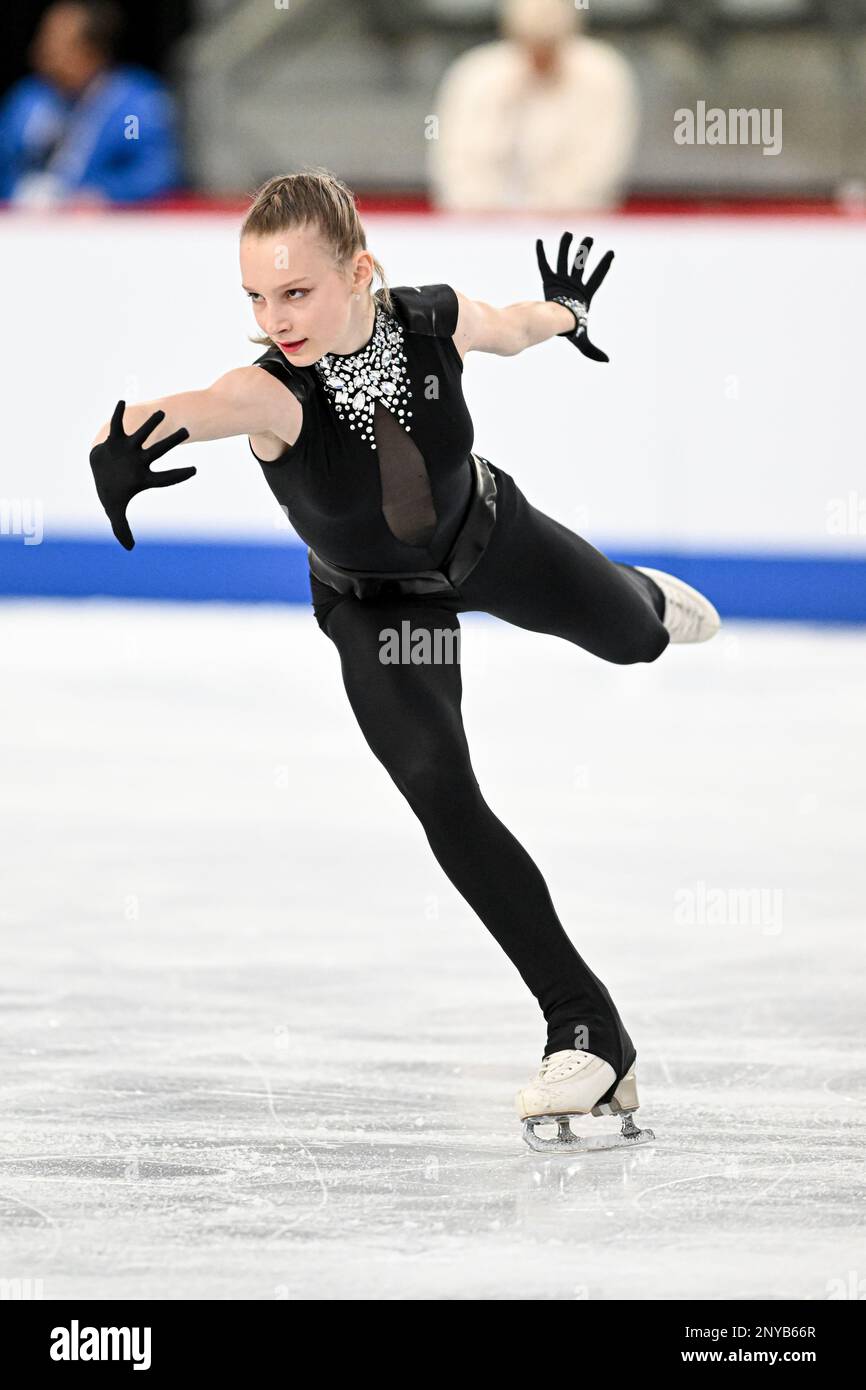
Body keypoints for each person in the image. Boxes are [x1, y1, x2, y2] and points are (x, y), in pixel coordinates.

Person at [88, 169, 720, 1153]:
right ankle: (585, 1028)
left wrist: (565, 312)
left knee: (636, 640)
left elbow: (510, 325)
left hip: (491, 538)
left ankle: (637, 593)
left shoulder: (429, 320)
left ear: (360, 273)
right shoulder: (272, 394)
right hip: (379, 608)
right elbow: (182, 407)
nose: (274, 318)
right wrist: (113, 449)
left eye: (295, 292)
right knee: (440, 790)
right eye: (256, 297)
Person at [428, 0, 639, 213]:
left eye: (549, 46)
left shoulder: (604, 76)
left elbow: (602, 164)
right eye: (531, 45)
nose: (539, 57)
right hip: (483, 223)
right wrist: (488, 210)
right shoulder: (475, 76)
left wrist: (548, 209)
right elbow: (455, 163)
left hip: (576, 222)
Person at [0, 0, 182, 207]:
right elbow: (6, 161)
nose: (43, 51)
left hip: (104, 221)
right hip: (30, 219)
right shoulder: (28, 100)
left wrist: (104, 193)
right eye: (43, 39)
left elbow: (154, 171)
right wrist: (20, 190)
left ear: (92, 50)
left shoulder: (133, 109)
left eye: (57, 43)